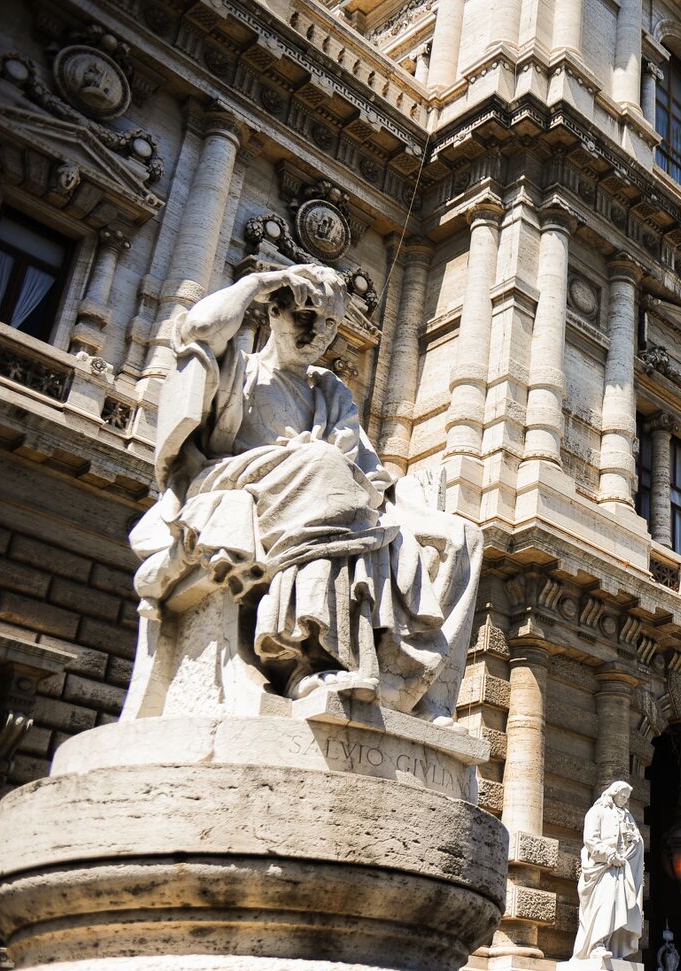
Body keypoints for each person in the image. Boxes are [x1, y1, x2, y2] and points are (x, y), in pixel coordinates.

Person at [128, 263, 480, 719]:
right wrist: (257, 282)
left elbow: (371, 478)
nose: (319, 333)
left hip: (331, 491)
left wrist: (408, 503)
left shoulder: (331, 392)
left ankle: (414, 688)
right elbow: (196, 327)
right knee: (324, 465)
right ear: (273, 311)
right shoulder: (239, 367)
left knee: (458, 537)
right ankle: (308, 658)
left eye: (331, 324)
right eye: (306, 317)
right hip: (236, 481)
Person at [573, 781, 644, 961]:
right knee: (605, 904)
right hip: (603, 868)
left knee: (621, 906)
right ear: (613, 793)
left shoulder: (627, 816)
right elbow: (590, 839)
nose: (624, 800)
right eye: (622, 796)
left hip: (621, 868)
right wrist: (609, 854)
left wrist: (634, 839)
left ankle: (610, 945)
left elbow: (638, 840)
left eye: (627, 798)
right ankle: (596, 945)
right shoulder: (597, 811)